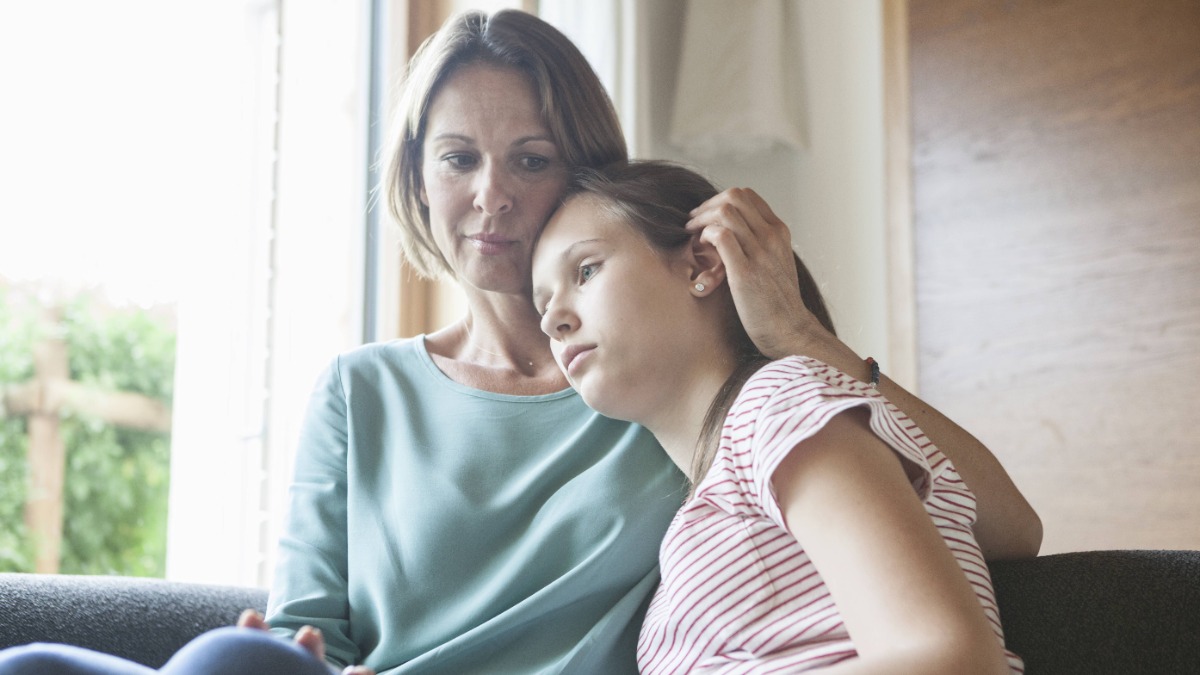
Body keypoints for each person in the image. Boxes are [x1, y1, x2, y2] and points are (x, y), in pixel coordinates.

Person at [0, 7, 1039, 675]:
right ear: (417, 177)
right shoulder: (361, 392)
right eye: (457, 158)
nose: (491, 197)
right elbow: (311, 629)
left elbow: (989, 525)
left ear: (586, 173)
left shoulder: (658, 384)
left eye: (531, 158)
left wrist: (804, 334)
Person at [530, 159, 1026, 673]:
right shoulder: (738, 469)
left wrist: (801, 336)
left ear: (700, 264)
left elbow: (954, 659)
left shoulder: (778, 406)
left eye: (585, 271)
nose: (553, 319)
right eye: (542, 304)